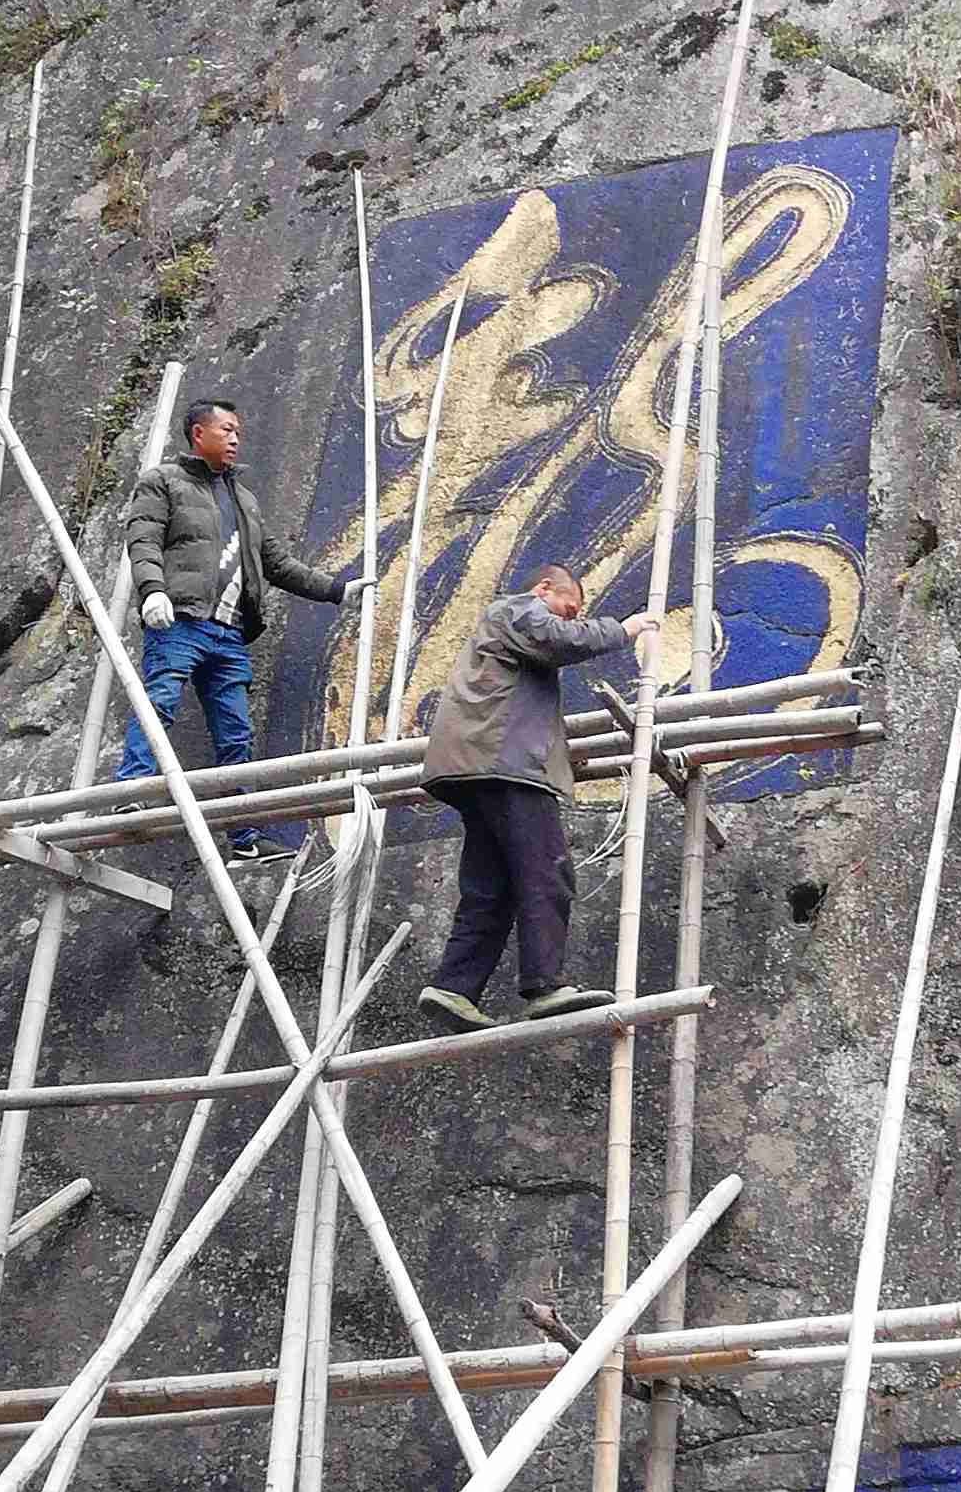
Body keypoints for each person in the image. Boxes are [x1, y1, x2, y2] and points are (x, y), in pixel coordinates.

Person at [117, 396, 359, 854]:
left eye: (238, 433)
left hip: (229, 633)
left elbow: (276, 563)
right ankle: (131, 794)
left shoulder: (242, 498)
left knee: (236, 733)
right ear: (198, 434)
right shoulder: (162, 482)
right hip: (181, 619)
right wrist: (153, 591)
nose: (235, 439)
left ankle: (243, 836)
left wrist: (336, 590)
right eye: (226, 430)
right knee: (160, 700)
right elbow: (143, 539)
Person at [416, 567, 638, 1030]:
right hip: (506, 766)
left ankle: (453, 987)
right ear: (544, 589)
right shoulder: (519, 608)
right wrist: (625, 629)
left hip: (477, 766)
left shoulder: (507, 652)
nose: (572, 618)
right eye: (569, 607)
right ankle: (545, 985)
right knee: (545, 871)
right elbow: (556, 637)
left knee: (490, 888)